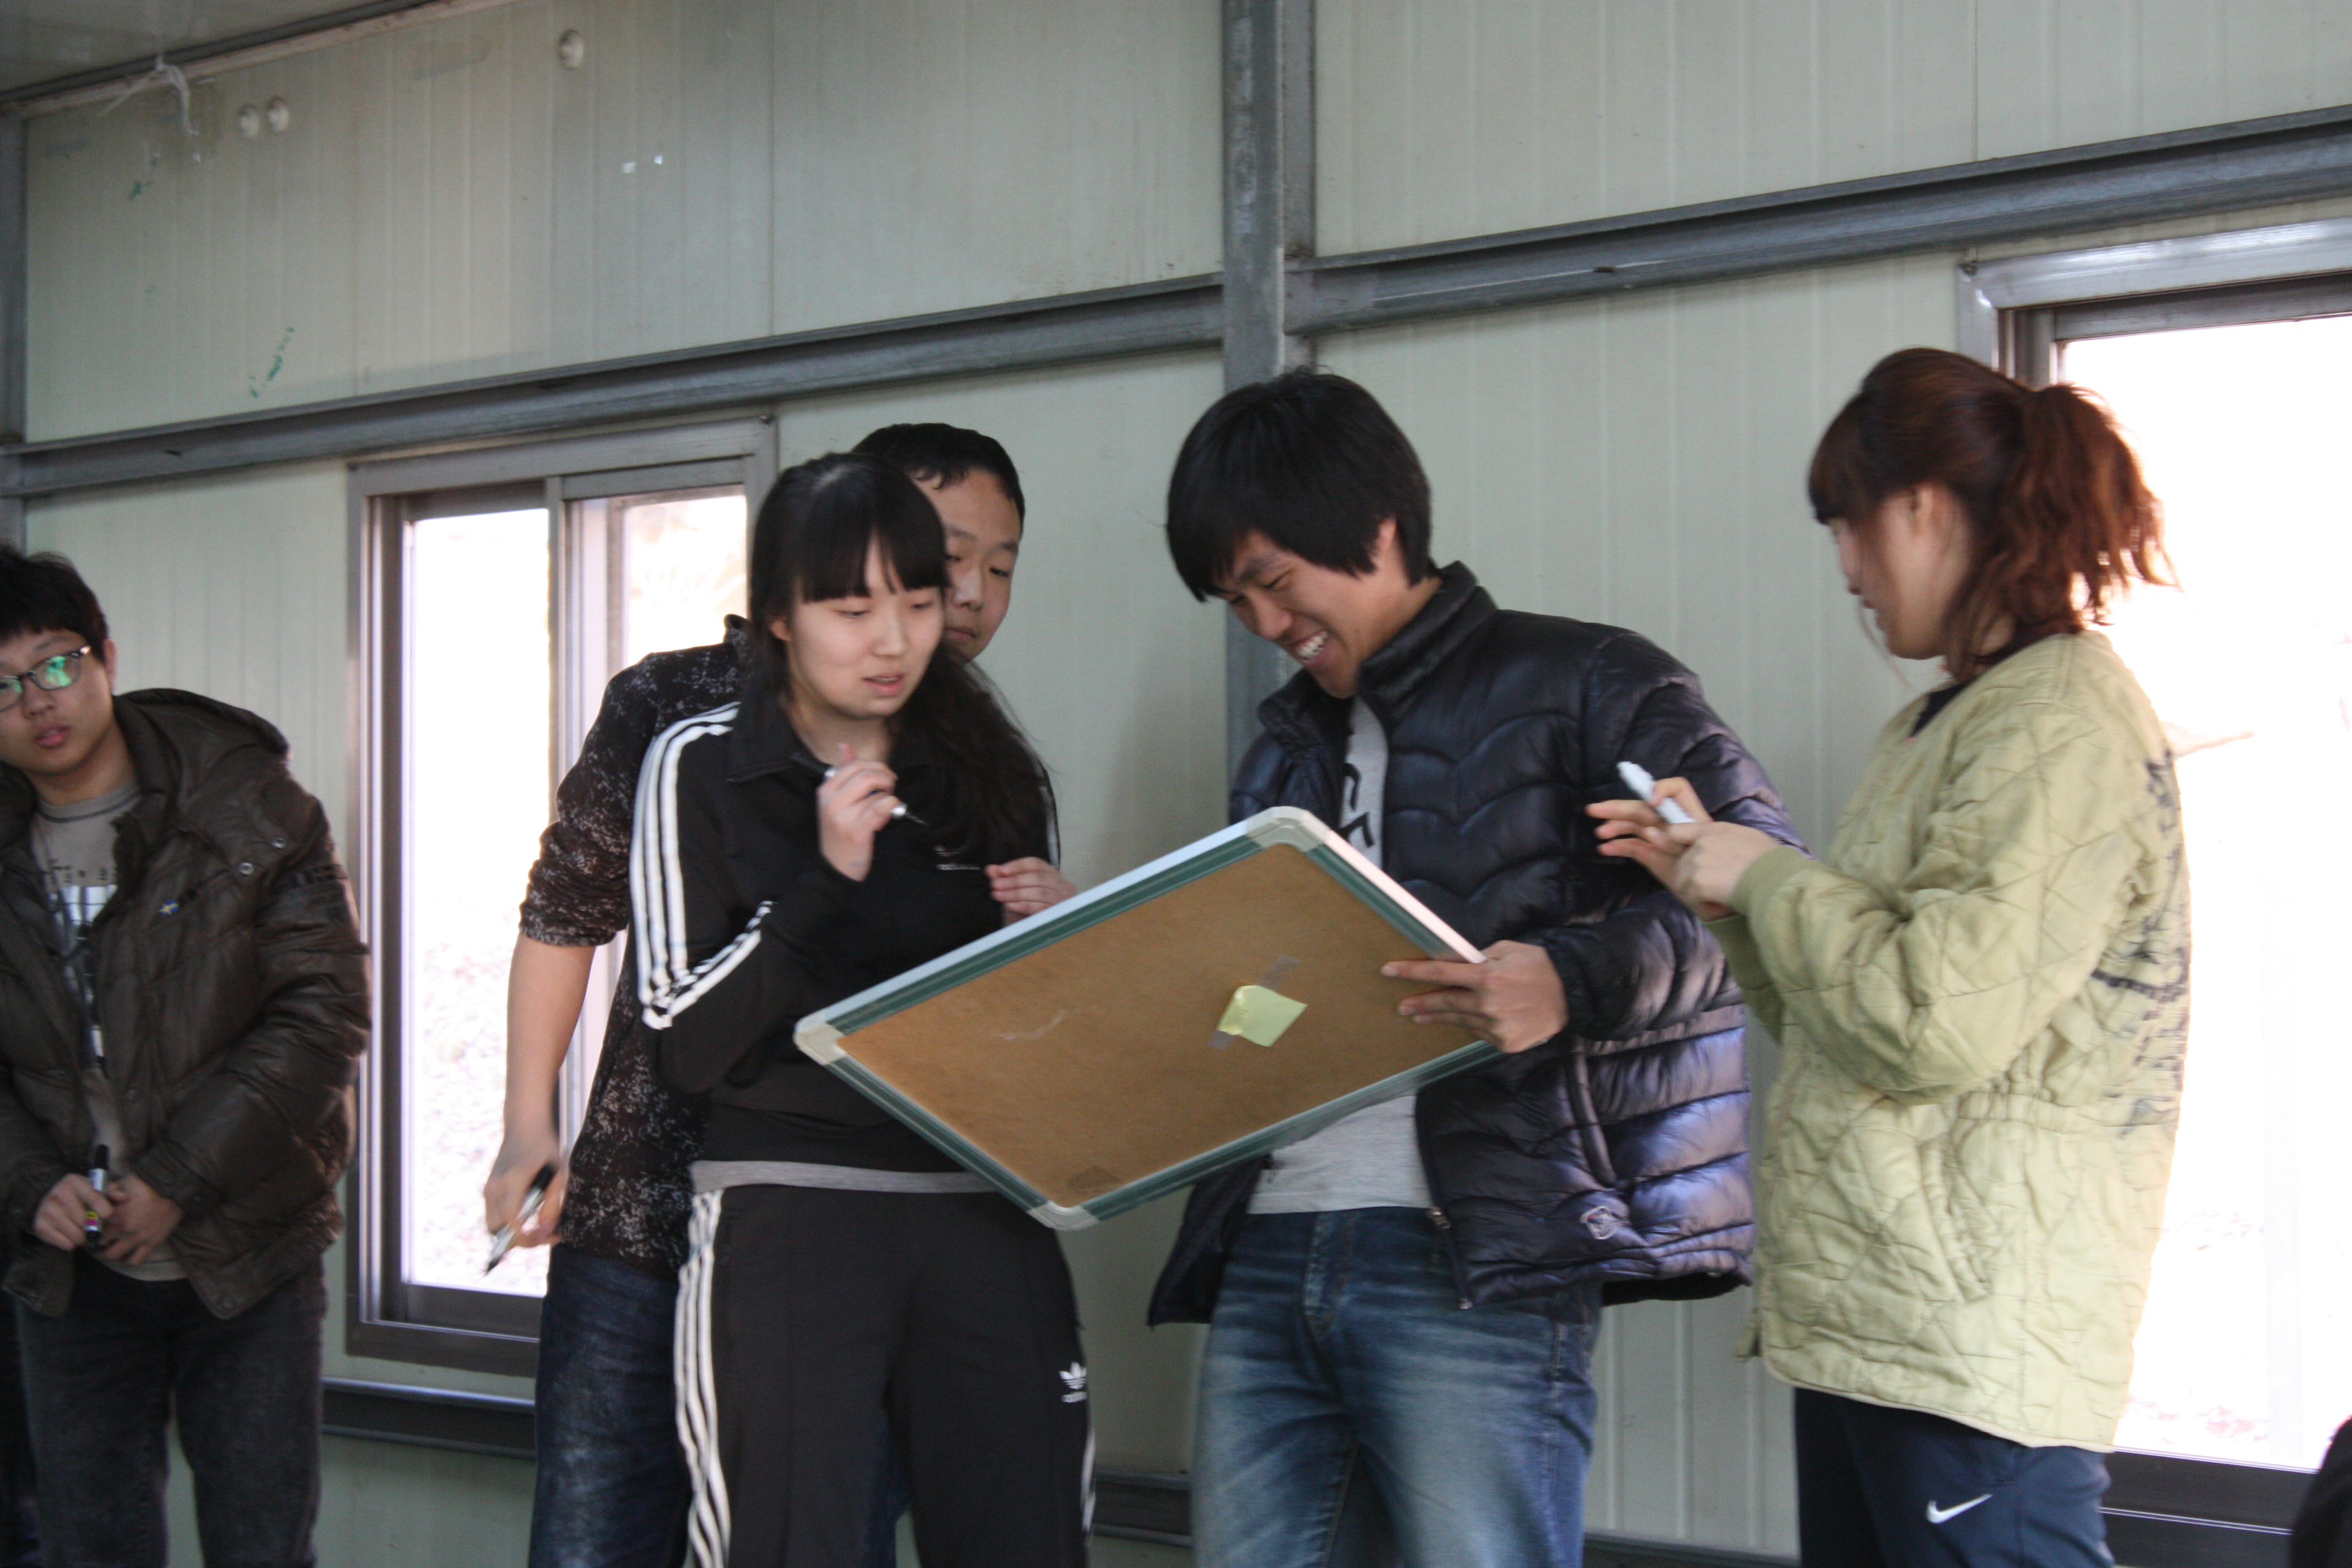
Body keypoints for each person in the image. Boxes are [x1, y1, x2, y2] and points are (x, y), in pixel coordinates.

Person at [1150, 369, 1799, 1568]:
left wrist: (1567, 977)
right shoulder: (1280, 756)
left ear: (1378, 524)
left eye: (1274, 582)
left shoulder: (1595, 681)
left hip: (1473, 1253)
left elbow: (1767, 907)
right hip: (1271, 1236)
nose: (1264, 625)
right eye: (1234, 601)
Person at [1594, 347, 2188, 1568]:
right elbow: (1849, 1024)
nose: (1848, 569)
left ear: (1923, 508)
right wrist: (1721, 891)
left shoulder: (2057, 717)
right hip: (1886, 1326)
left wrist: (1764, 876)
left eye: (1847, 525)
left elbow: (1932, 1024)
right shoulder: (1941, 720)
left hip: (1969, 1344)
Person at [487, 424, 1031, 1568]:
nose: (967, 596)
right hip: (644, 1209)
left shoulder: (976, 754)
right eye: (944, 557)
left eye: (996, 567)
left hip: (846, 1228)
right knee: (595, 1531)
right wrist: (529, 1118)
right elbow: (566, 910)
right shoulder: (677, 710)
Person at [638, 453, 1087, 1568]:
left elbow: (1033, 1037)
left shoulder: (991, 771)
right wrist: (824, 879)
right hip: (792, 1211)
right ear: (778, 615)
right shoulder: (703, 765)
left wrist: (1069, 938)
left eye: (919, 604)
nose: (894, 642)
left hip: (988, 1206)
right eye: (852, 611)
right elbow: (685, 1042)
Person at [0, 548, 369, 1568]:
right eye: (3, 685)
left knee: (260, 1546)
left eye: (56, 664)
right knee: (90, 1546)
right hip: (67, 1268)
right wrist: (27, 1184)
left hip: (248, 1248)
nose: (36, 702)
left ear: (107, 657)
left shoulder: (247, 802)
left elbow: (325, 1011)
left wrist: (176, 1179)